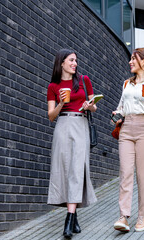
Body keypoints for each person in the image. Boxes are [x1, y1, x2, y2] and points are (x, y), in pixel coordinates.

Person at [46, 49, 97, 238]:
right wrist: (60, 102)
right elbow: (51, 116)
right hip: (62, 125)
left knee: (77, 169)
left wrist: (89, 106)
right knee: (63, 170)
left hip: (81, 124)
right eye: (71, 60)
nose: (75, 63)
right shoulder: (53, 86)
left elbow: (94, 105)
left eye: (76, 60)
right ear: (62, 63)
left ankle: (68, 219)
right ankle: (73, 218)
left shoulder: (84, 80)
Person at [112, 48, 144, 232]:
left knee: (143, 176)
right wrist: (117, 114)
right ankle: (123, 216)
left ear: (143, 61)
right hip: (126, 130)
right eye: (131, 59)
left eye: (134, 59)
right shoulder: (127, 84)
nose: (130, 62)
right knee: (125, 173)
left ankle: (143, 216)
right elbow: (121, 107)